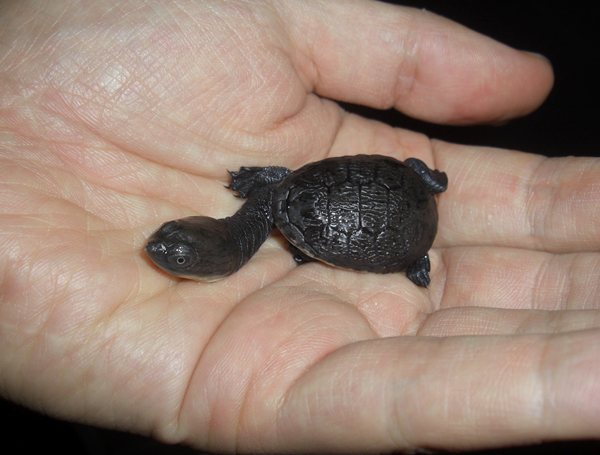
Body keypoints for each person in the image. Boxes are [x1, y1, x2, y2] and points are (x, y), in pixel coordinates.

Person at [0, 0, 597, 453]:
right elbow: (277, 188)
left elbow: (280, 201)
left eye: (176, 251)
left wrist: (407, 250)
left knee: (297, 207)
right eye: (179, 246)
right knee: (284, 192)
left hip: (410, 235)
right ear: (214, 250)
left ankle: (413, 255)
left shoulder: (276, 201)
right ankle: (422, 202)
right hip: (408, 180)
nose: (163, 246)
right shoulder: (275, 190)